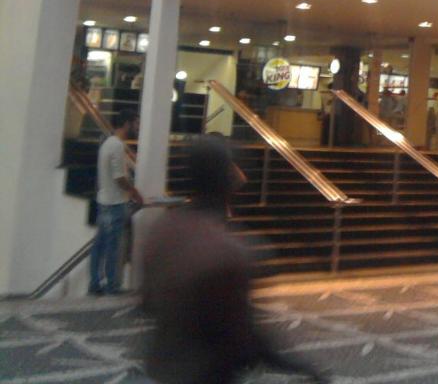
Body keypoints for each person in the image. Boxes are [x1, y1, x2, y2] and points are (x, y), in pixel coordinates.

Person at [142, 136, 324, 383]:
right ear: (226, 178)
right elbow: (241, 337)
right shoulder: (229, 252)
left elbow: (147, 302)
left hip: (162, 366)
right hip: (205, 374)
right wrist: (297, 366)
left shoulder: (163, 229)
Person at [88, 109, 143, 295]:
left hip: (103, 200)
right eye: (135, 123)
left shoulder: (106, 144)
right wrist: (135, 193)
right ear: (127, 124)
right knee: (112, 248)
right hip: (114, 203)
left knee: (99, 246)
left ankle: (95, 283)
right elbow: (119, 177)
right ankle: (112, 285)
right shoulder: (117, 146)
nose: (137, 128)